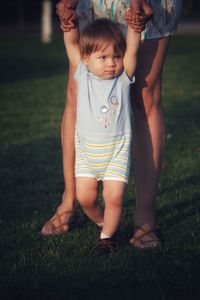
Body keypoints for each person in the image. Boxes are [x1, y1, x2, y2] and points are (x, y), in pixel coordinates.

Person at [41, 0, 182, 249]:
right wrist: (67, 23)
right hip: (88, 154)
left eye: (116, 57)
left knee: (146, 97)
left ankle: (137, 221)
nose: (111, 63)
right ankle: (77, 205)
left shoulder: (123, 74)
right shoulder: (82, 70)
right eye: (104, 57)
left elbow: (131, 52)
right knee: (73, 97)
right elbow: (72, 44)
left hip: (115, 151)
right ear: (85, 60)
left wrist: (136, 27)